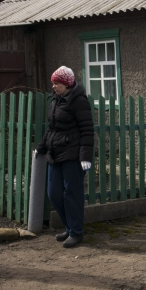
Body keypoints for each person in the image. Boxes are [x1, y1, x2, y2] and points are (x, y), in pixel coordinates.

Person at [36, 66, 94, 248]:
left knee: (72, 195)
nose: (53, 86)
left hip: (72, 155)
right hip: (55, 154)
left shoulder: (79, 101)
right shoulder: (56, 100)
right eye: (53, 83)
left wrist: (85, 156)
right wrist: (42, 147)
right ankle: (69, 227)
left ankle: (76, 232)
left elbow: (87, 130)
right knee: (53, 194)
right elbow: (52, 128)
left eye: (57, 83)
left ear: (67, 84)